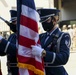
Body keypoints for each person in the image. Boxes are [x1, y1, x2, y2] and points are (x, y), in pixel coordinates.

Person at [31, 9, 71, 75]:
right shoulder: (41, 36)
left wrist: (44, 53)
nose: (43, 23)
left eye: (46, 20)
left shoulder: (63, 36)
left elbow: (64, 58)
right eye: (42, 21)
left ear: (54, 20)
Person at [0, 10, 18, 75]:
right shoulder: (12, 36)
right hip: (11, 70)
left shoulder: (25, 36)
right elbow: (5, 51)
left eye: (14, 21)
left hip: (20, 70)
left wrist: (1, 40)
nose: (12, 24)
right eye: (12, 22)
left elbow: (15, 50)